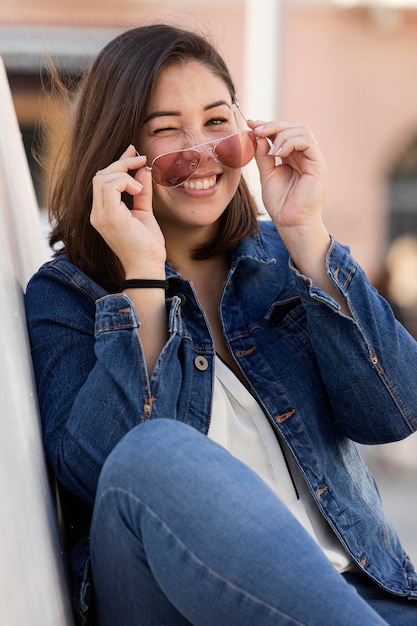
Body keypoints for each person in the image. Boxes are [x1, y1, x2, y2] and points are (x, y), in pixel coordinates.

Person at [25, 23, 417, 626]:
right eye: (165, 131)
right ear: (118, 154)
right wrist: (142, 275)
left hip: (358, 597)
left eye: (216, 123)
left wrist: (307, 235)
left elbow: (394, 411)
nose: (201, 151)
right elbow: (103, 472)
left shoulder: (279, 257)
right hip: (174, 605)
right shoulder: (64, 295)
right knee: (151, 454)